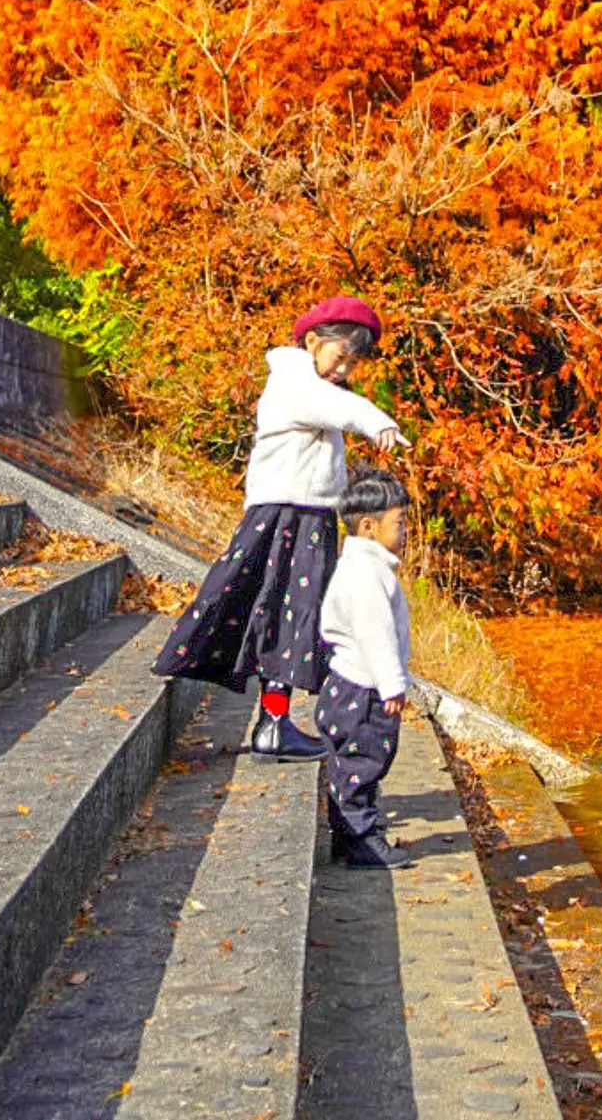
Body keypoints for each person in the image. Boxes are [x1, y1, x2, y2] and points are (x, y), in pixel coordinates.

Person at [153, 294, 408, 758]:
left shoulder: (314, 389)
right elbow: (334, 406)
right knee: (281, 615)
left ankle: (275, 722)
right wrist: (378, 421)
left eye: (352, 364)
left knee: (294, 621)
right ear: (312, 341)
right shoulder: (293, 382)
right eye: (339, 358)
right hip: (285, 517)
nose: (343, 372)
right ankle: (271, 722)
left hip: (305, 516)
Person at [313, 466, 413, 867]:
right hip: (362, 689)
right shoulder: (366, 574)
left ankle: (354, 835)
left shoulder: (360, 566)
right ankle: (360, 840)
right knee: (363, 761)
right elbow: (375, 633)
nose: (405, 531)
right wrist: (392, 684)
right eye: (400, 522)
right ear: (369, 526)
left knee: (357, 761)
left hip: (349, 685)